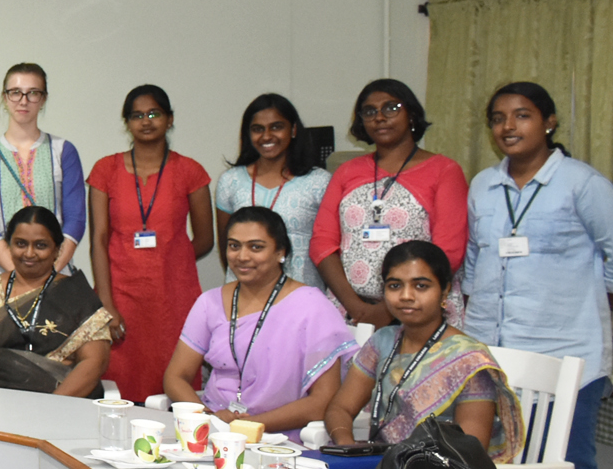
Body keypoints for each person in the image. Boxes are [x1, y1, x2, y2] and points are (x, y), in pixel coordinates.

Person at [463, 81, 613, 469]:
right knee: (489, 468)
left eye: (522, 115)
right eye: (498, 118)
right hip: (493, 356)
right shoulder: (484, 185)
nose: (508, 127)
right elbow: (474, 267)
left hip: (565, 354)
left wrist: (586, 309)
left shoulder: (582, 184)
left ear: (549, 122)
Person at [163, 206, 355, 440]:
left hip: (278, 438)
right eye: (234, 246)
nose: (242, 256)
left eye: (256, 247)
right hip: (213, 431)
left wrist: (245, 426)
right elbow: (175, 376)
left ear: (280, 251)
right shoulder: (210, 302)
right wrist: (208, 419)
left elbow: (323, 401)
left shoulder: (312, 307)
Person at [326, 241, 523, 461]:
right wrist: (348, 446)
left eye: (421, 286)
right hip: (382, 468)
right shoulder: (382, 342)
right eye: (395, 286)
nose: (406, 296)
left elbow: (470, 454)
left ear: (445, 291)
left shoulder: (469, 360)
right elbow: (340, 408)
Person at [86, 85, 214, 402]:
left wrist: (171, 259)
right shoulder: (105, 170)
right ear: (127, 122)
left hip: (174, 298)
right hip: (120, 294)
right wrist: (106, 303)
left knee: (174, 382)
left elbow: (206, 239)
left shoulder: (190, 171)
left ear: (170, 119)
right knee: (118, 382)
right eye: (137, 115)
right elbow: (98, 240)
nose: (146, 121)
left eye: (154, 113)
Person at [310, 79, 468, 328]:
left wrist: (389, 309)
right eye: (369, 111)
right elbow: (322, 243)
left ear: (411, 114)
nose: (379, 117)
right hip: (350, 311)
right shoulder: (346, 172)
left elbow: (449, 251)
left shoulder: (444, 170)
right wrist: (356, 307)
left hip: (418, 310)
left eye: (391, 108)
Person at [0, 207, 113, 395]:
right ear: (9, 245)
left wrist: (52, 405)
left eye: (41, 245)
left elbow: (95, 361)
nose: (29, 253)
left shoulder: (78, 295)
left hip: (61, 403)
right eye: (21, 244)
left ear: (57, 250)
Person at [0, 63, 86, 275]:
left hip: (55, 272)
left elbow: (75, 220)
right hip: (2, 273)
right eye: (15, 92)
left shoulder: (63, 151)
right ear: (5, 98)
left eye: (33, 93)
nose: (23, 101)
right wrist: (23, 274)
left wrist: (48, 272)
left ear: (43, 99)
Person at [213, 94, 331, 289]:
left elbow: (328, 246)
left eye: (276, 127)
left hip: (300, 293)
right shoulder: (231, 181)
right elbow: (226, 244)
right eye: (258, 129)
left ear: (293, 130)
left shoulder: (319, 182)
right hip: (244, 294)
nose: (267, 136)